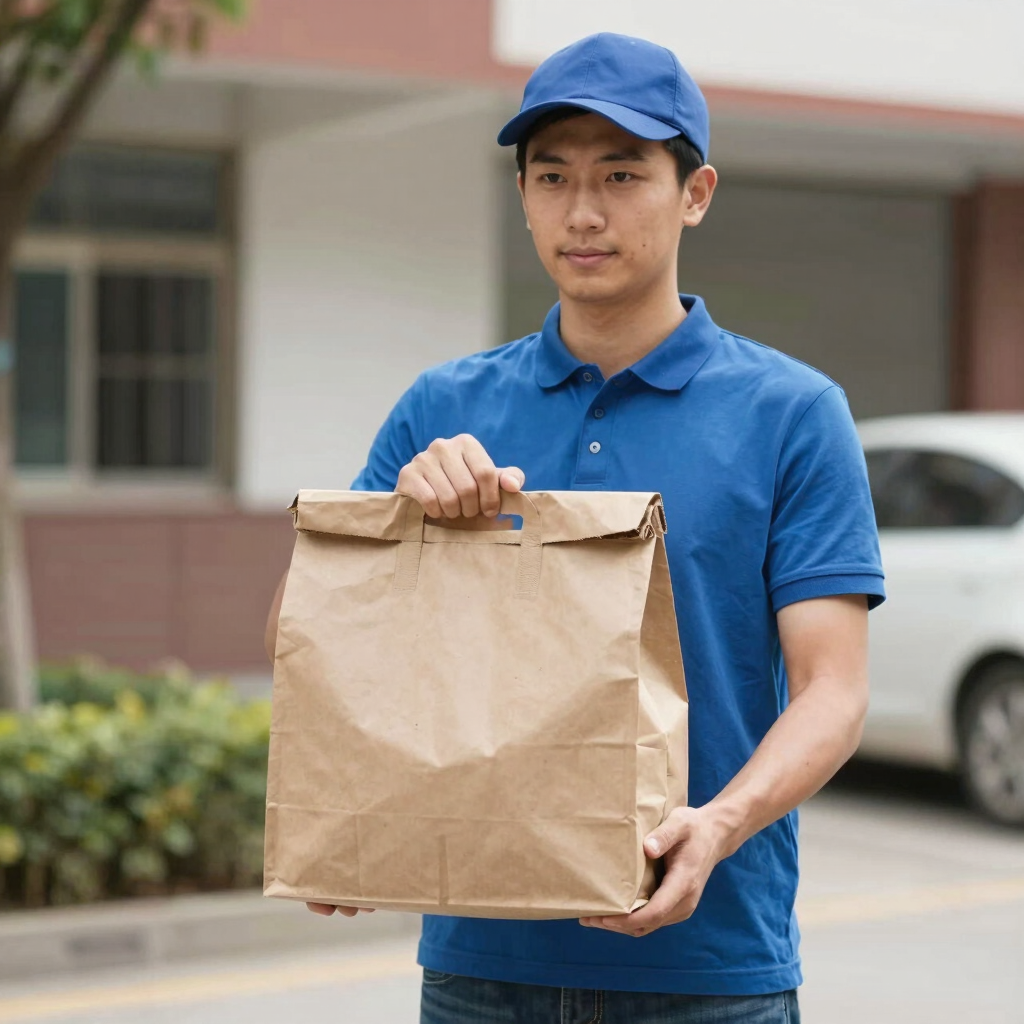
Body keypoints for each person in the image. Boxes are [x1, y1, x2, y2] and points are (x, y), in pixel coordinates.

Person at [265, 31, 885, 1024]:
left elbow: (832, 689)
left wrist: (719, 825)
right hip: (479, 972)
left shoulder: (791, 413)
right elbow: (308, 646)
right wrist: (404, 525)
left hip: (711, 969)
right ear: (521, 198)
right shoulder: (442, 407)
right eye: (550, 177)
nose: (583, 211)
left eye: (622, 174)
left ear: (695, 192)